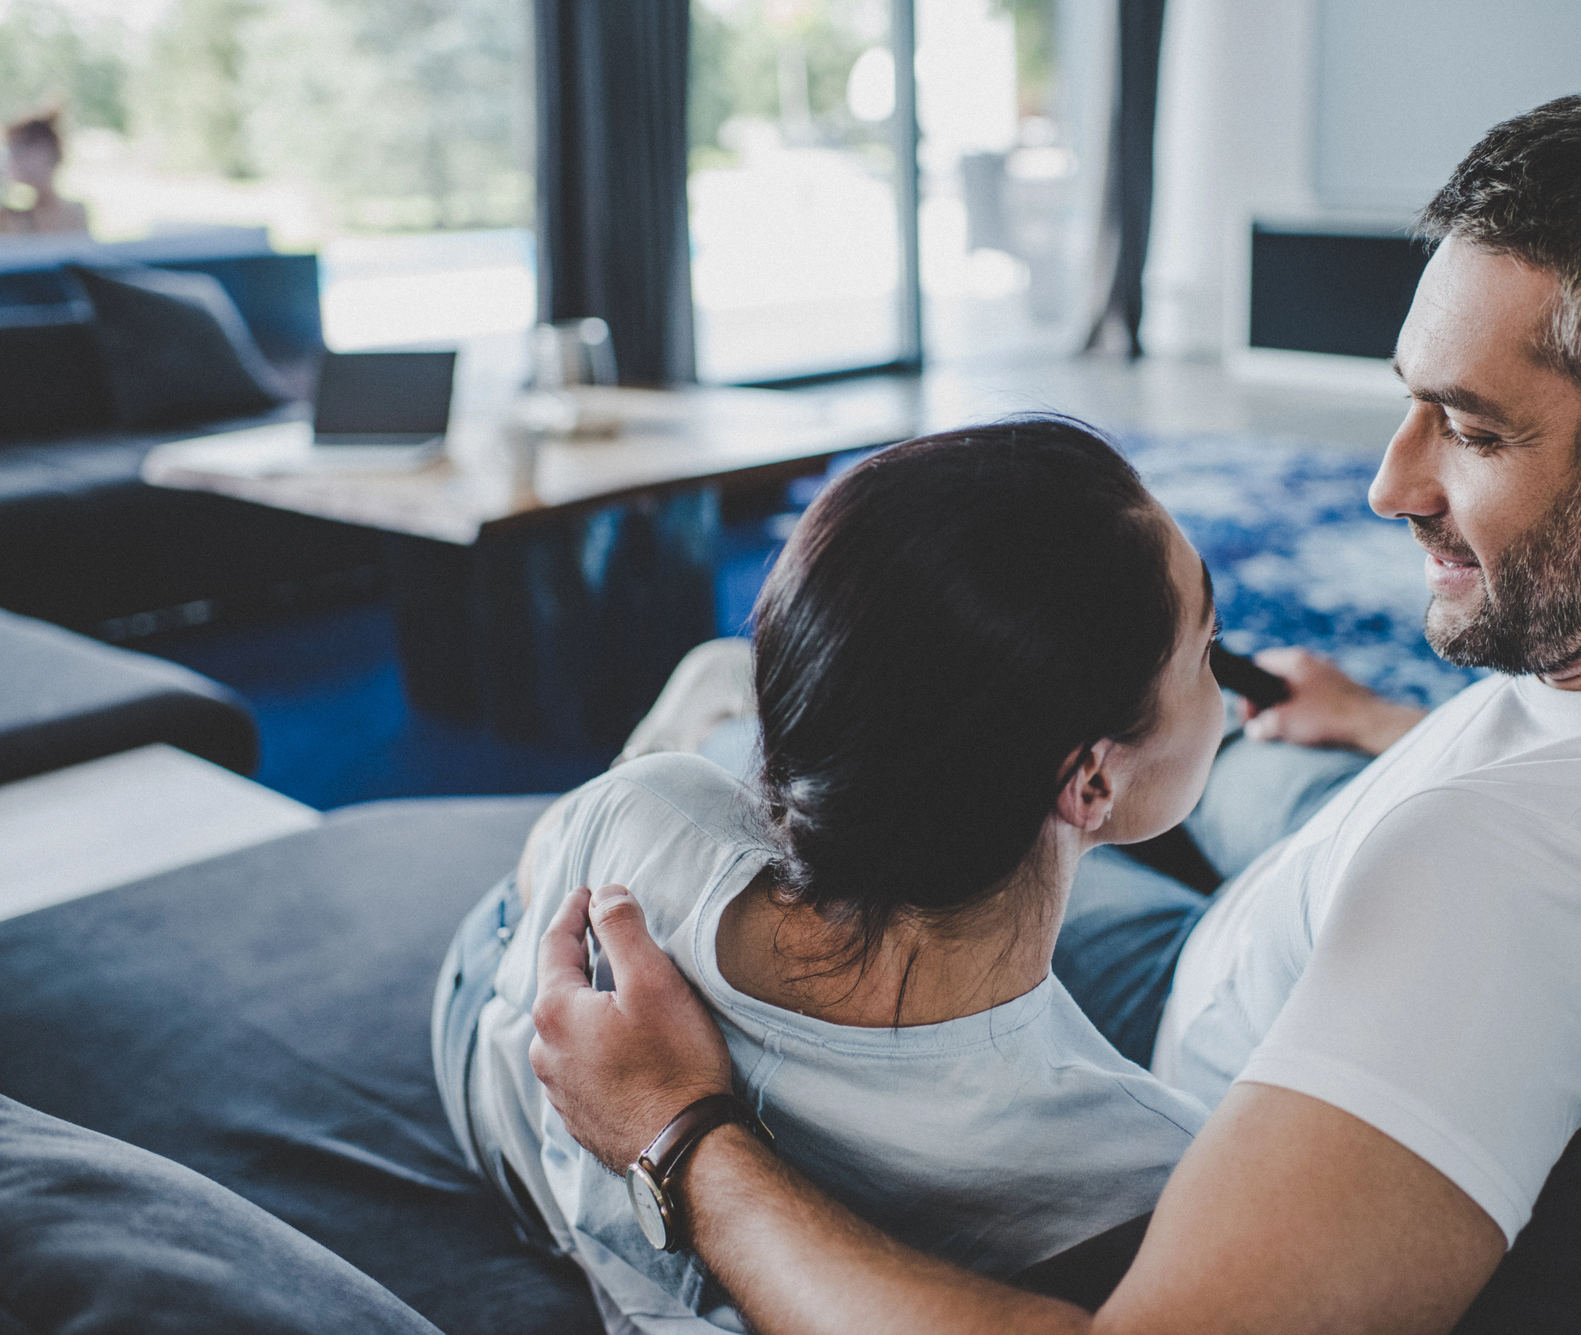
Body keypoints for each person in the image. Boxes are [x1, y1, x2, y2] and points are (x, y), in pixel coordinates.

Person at [527, 87, 1581, 1333]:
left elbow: (1523, 891)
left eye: (1473, 428)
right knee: (1205, 717)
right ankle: (746, 714)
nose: (1391, 483)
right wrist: (1389, 728)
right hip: (1323, 868)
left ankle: (727, 720)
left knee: (849, 741)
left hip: (1184, 1036)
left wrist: (681, 1135)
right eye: (1407, 404)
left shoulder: (1500, 898)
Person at [432, 421, 1233, 1331]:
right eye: (1207, 649)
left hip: (486, 1047)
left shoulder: (649, 815)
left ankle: (719, 708)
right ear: (1090, 779)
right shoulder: (1141, 1154)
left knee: (613, 802)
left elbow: (556, 975)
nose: (1228, 687)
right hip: (519, 1052)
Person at [1, 111, 89, 237]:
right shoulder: (9, 219)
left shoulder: (76, 214)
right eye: (14, 152)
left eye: (22, 151)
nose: (16, 160)